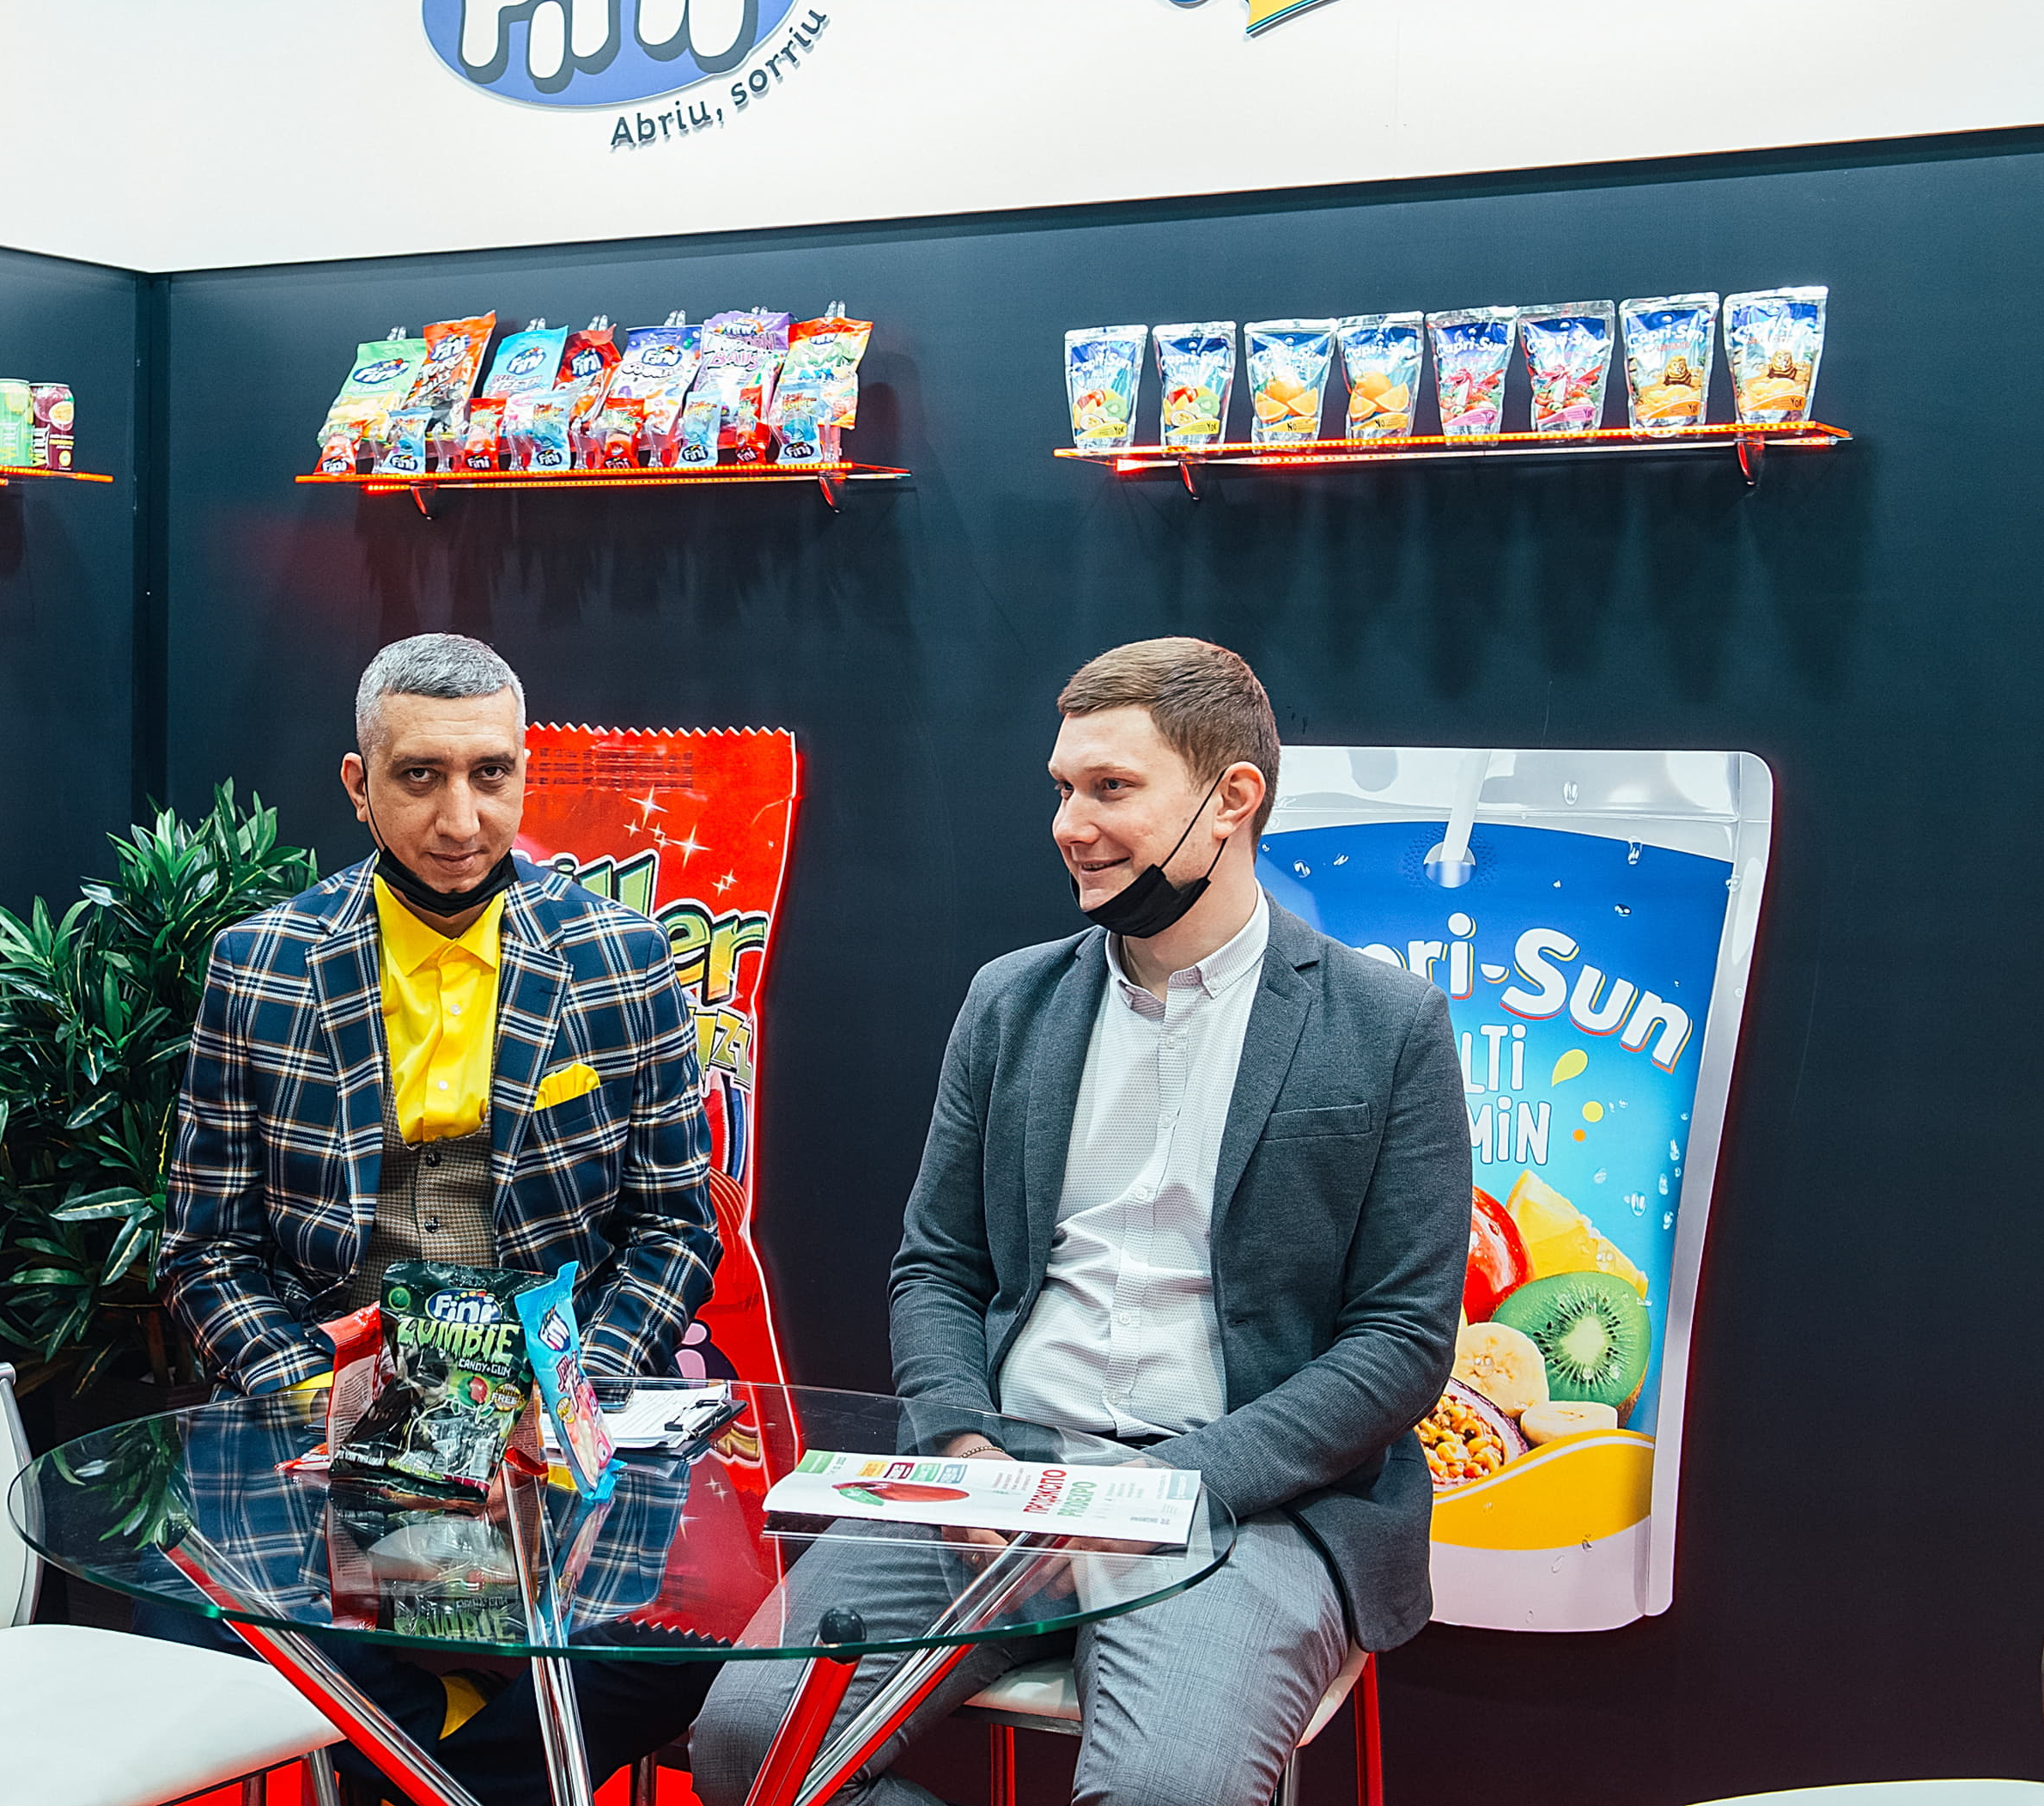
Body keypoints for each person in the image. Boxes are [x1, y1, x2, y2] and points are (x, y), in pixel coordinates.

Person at [690, 637, 1469, 1806]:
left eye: (1111, 788)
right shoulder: (1011, 1001)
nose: (1070, 824)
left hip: (1241, 1496)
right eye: (1063, 788)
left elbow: (1400, 1342)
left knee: (1167, 1795)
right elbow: (937, 1267)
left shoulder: (1385, 1023)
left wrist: (1170, 1487)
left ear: (1231, 799)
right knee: (748, 1747)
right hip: (1000, 1480)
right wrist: (963, 1446)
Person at [158, 631, 724, 1806]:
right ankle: (456, 1755)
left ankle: (422, 1760)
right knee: (236, 1637)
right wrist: (310, 1390)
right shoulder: (260, 966)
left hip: (553, 1436)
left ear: (524, 773)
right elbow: (205, 1248)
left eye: (490, 773)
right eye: (420, 775)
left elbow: (673, 1229)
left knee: (670, 1655)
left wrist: (576, 1382)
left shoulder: (622, 960)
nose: (461, 818)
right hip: (329, 1434)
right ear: (358, 783)